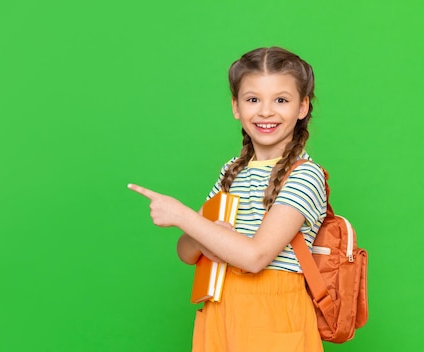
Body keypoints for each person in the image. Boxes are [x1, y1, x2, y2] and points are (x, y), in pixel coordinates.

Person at [128, 47, 327, 351]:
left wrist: (183, 216)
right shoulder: (233, 172)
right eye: (252, 99)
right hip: (221, 308)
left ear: (303, 107)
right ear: (236, 107)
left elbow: (254, 257)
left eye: (281, 100)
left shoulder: (305, 176)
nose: (265, 111)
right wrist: (209, 235)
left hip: (272, 316)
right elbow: (186, 251)